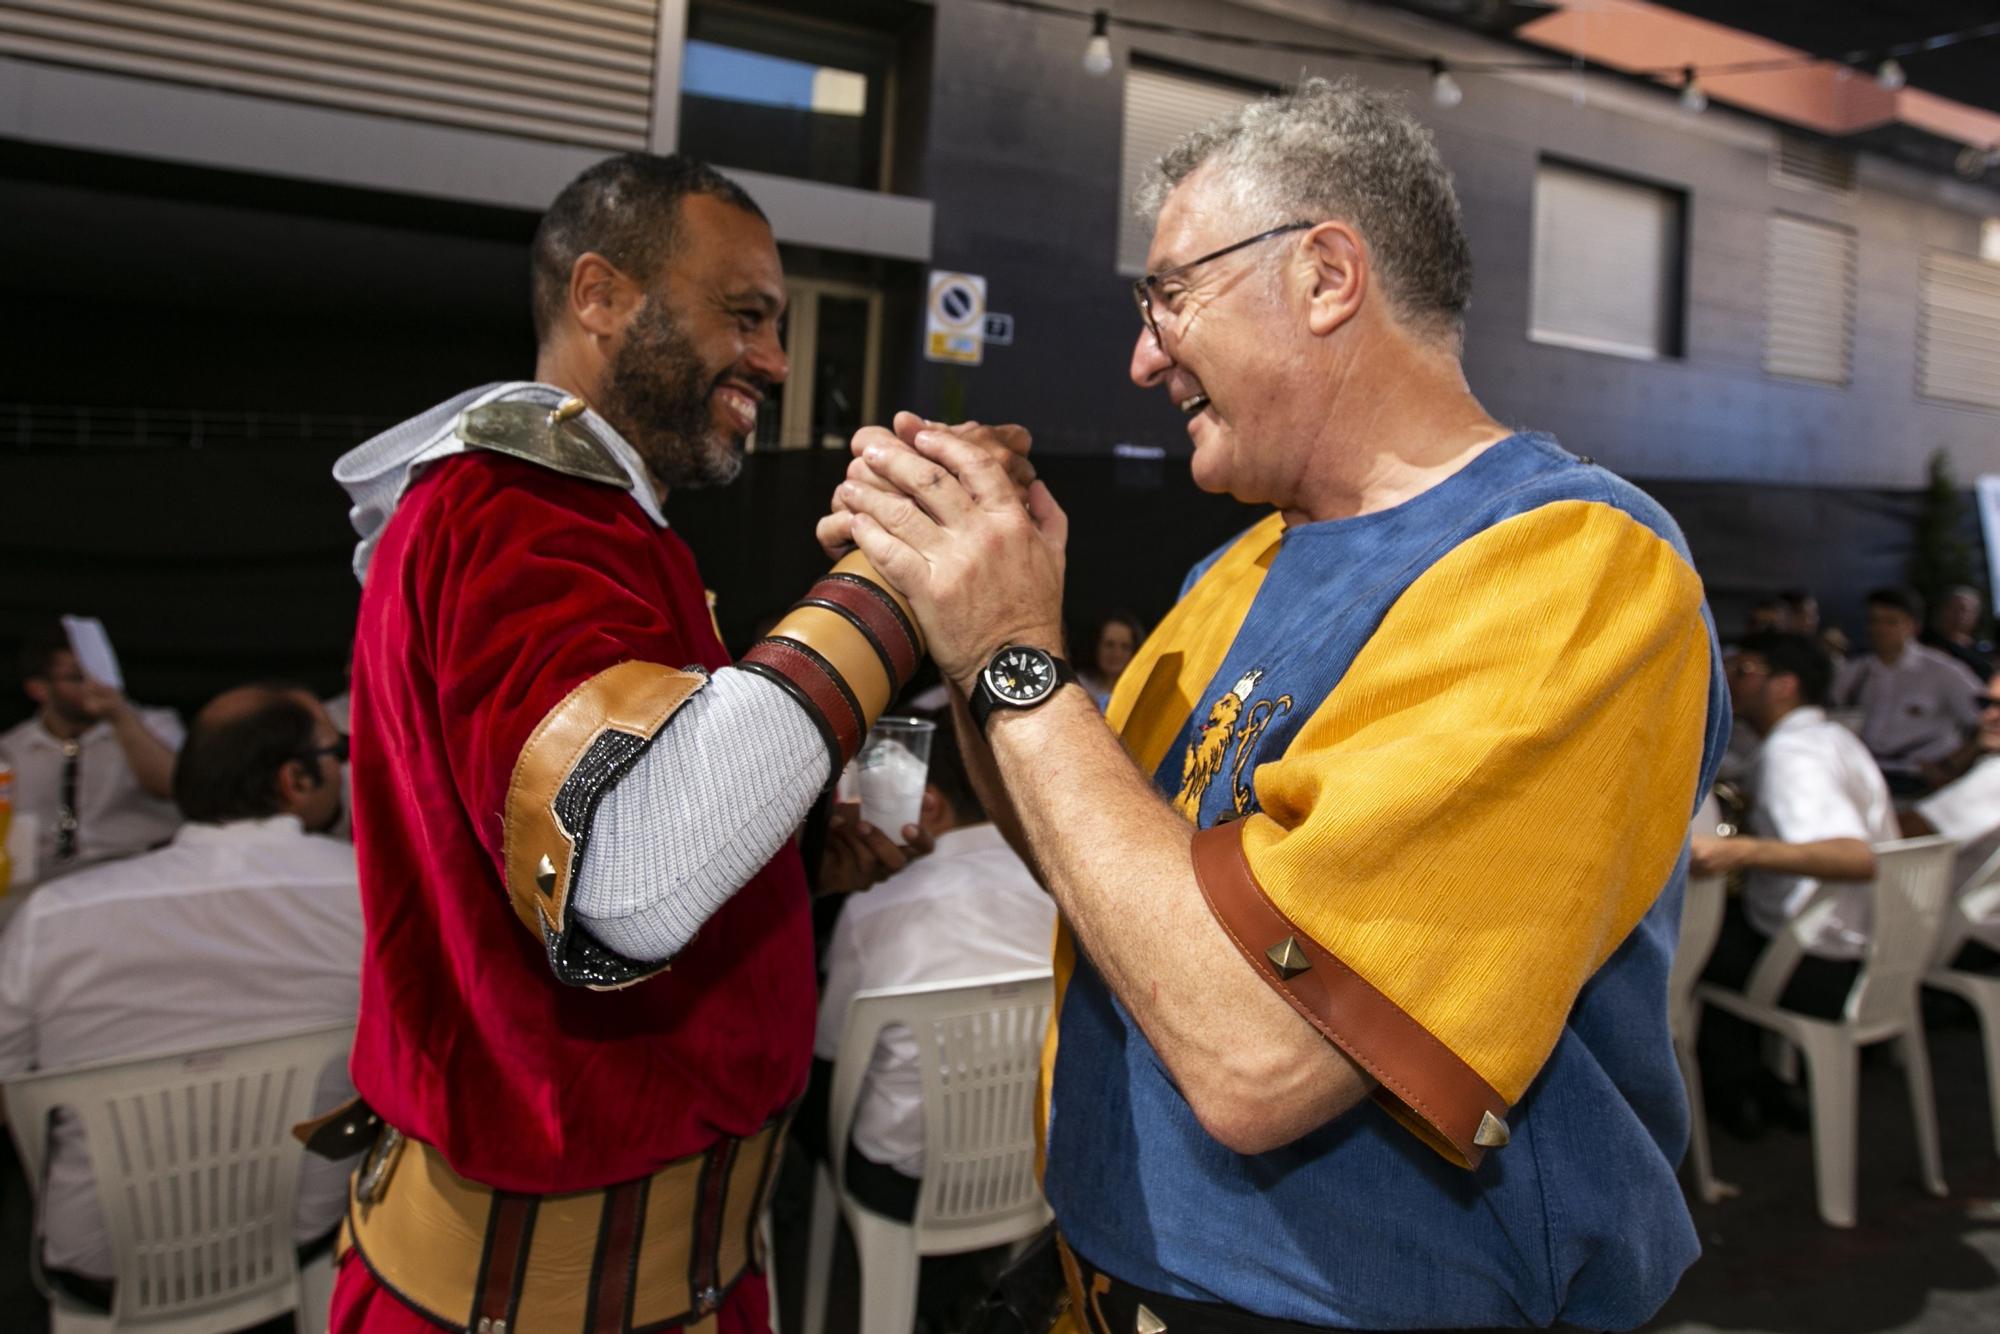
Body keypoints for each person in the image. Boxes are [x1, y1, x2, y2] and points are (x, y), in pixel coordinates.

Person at [828, 78, 1725, 1332]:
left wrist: (1016, 657)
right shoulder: (1232, 570)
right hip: (1096, 1271)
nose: (1143, 355)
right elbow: (1080, 861)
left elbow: (1259, 1057)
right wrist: (970, 615)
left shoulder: (1574, 566)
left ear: (1322, 275)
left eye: (1168, 296)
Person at [325, 153, 1031, 1333]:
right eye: (742, 315)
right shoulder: (512, 512)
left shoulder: (589, 521)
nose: (774, 360)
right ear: (599, 294)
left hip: (670, 1275)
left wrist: (791, 859)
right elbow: (623, 872)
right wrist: (908, 572)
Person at [0, 684, 361, 1308]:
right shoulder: (369, 898)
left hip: (101, 1261)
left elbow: (9, 1084)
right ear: (295, 780)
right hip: (301, 1236)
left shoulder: (53, 917)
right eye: (339, 753)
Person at [813, 716, 1056, 1201]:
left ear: (926, 805)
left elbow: (830, 1052)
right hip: (1036, 1155)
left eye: (878, 799)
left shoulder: (872, 905)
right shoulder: (1054, 888)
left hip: (905, 1174)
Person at [1689, 633, 1898, 1136]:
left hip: (1820, 965)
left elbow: (1853, 855)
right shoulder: (1831, 738)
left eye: (1745, 670)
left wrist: (1736, 849)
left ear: (1784, 685)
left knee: (1686, 951)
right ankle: (1759, 1086)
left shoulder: (1794, 755)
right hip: (1866, 952)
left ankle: (1733, 1097)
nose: (1732, 680)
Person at [0, 630, 180, 883]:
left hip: (139, 870)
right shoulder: (11, 749)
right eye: (77, 677)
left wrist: (120, 716)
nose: (95, 687)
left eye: (101, 673)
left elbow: (174, 786)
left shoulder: (154, 726)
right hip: (47, 880)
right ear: (38, 688)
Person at [1833, 586, 1982, 795]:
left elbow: (1987, 721)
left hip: (1919, 780)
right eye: (1874, 621)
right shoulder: (1854, 672)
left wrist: (1952, 765)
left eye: (1891, 622)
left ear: (1913, 626)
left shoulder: (1943, 671)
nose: (1880, 629)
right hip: (1866, 777)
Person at [1904, 672, 2000, 971]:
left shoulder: (1994, 778)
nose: (1990, 715)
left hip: (1951, 942)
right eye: (1985, 703)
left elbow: (1900, 834)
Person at [1922, 584, 1993, 682]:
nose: (1959, 615)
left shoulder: (1984, 649)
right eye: (1953, 609)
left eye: (1966, 610)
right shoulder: (1927, 647)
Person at [1076, 612, 1144, 711]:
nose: (1117, 653)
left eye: (1125, 647)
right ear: (1096, 646)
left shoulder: (1142, 692)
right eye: (1109, 645)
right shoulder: (1078, 686)